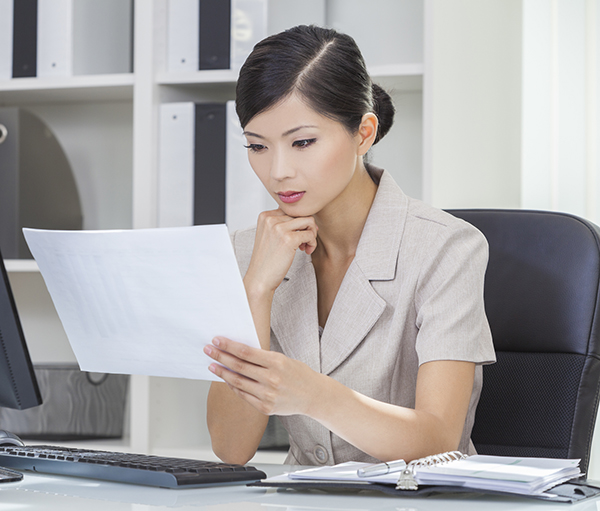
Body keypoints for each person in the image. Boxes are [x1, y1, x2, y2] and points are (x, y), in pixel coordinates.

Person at [204, 25, 496, 467]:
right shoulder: (253, 251)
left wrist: (313, 395)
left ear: (363, 133)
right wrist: (256, 290)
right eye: (257, 146)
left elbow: (439, 441)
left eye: (302, 142)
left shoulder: (445, 248)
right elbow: (230, 448)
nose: (278, 171)